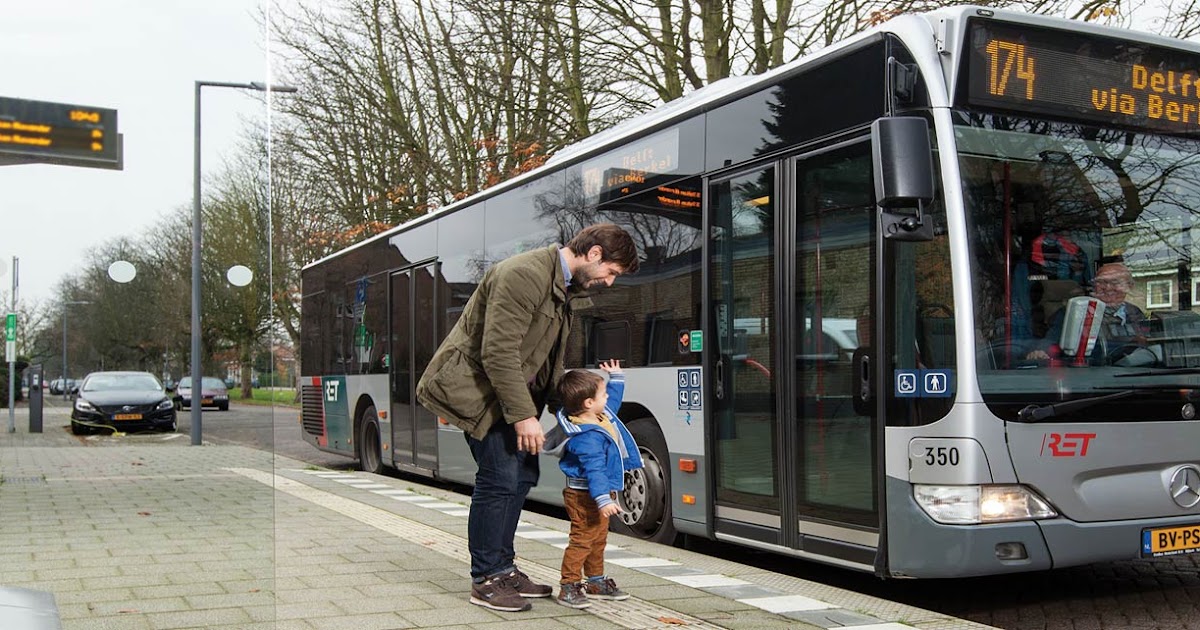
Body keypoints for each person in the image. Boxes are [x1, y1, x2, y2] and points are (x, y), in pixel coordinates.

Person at [415, 223, 639, 613]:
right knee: (499, 480)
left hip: (510, 397)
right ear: (595, 254)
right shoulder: (524, 274)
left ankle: (503, 567)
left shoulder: (565, 290)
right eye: (612, 272)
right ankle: (486, 579)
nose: (609, 282)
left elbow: (547, 359)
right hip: (481, 395)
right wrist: (523, 416)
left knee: (520, 477)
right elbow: (498, 353)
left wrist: (565, 404)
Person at [543, 360, 642, 609]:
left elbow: (614, 403)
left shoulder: (599, 417)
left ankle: (595, 581)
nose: (607, 397)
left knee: (598, 539)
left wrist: (616, 377)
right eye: (602, 394)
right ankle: (569, 585)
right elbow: (594, 471)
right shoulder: (586, 437)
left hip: (597, 494)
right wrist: (603, 499)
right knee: (582, 540)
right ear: (588, 403)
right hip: (585, 495)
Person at [1026, 262, 1147, 365]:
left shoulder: (1135, 313)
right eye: (1102, 282)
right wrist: (1040, 351)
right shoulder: (1074, 312)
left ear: (1129, 286)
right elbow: (1049, 342)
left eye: (1116, 283)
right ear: (1094, 286)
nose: (1108, 288)